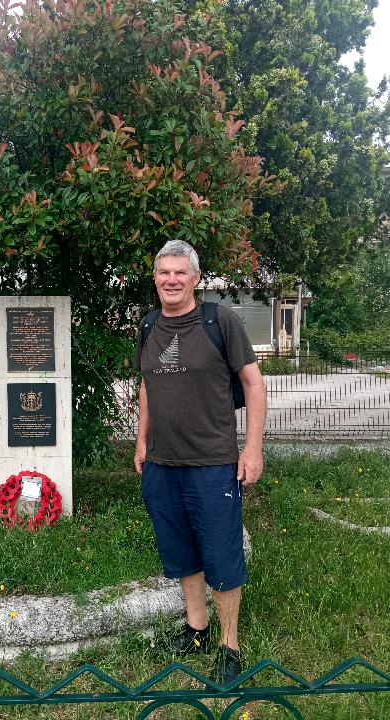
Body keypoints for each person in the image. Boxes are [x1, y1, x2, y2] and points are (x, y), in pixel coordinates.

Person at [134, 239, 267, 685]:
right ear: (155, 279)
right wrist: (142, 442)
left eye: (179, 273)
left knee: (221, 555)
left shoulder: (219, 321)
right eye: (163, 273)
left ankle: (229, 645)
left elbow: (252, 383)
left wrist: (252, 449)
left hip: (213, 463)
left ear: (195, 278)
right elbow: (148, 387)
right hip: (162, 464)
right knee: (181, 551)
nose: (171, 280)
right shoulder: (149, 325)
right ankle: (198, 630)